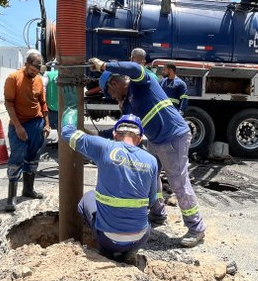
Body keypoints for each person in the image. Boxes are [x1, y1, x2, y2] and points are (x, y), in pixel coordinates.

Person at [88, 57, 206, 247]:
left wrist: (103, 66)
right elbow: (125, 128)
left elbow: (134, 67)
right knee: (152, 176)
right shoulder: (127, 104)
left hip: (173, 135)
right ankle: (158, 213)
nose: (110, 96)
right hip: (156, 139)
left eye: (108, 91)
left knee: (178, 182)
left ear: (115, 82)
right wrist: (97, 135)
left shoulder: (142, 84)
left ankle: (196, 228)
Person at [61, 108, 158, 263]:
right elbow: (153, 201)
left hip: (107, 238)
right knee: (142, 222)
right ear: (139, 139)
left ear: (114, 134)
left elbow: (67, 133)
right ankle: (129, 252)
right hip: (140, 237)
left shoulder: (105, 147)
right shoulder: (151, 160)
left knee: (88, 197)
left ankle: (106, 251)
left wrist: (70, 112)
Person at [3, 50, 51, 211]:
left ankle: (28, 189)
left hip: (36, 124)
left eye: (37, 71)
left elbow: (43, 103)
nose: (34, 73)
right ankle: (11, 198)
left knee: (33, 158)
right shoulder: (13, 78)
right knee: (17, 158)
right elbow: (9, 104)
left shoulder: (38, 80)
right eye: (32, 70)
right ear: (26, 64)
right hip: (19, 125)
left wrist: (46, 124)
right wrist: (18, 127)